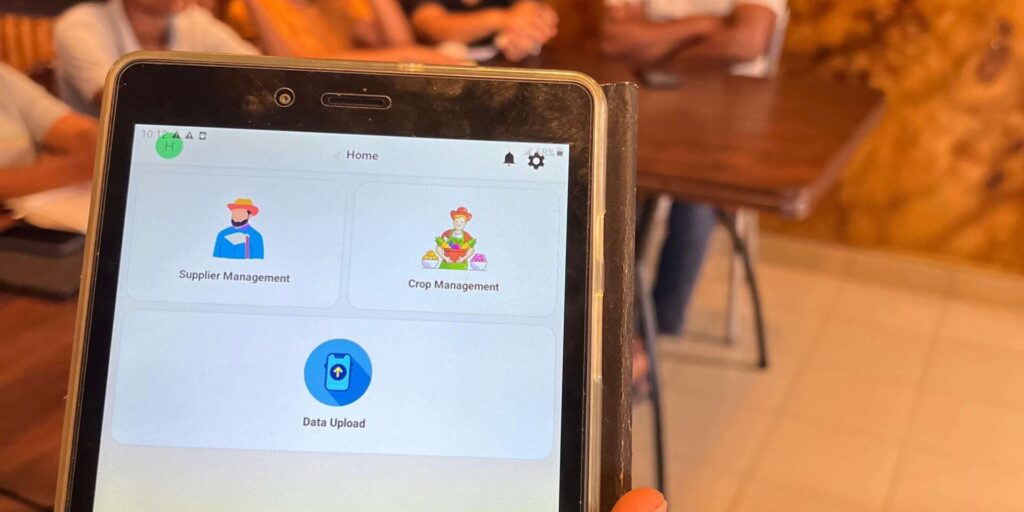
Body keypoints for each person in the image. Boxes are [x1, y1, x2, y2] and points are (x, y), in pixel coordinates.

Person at [602, 0, 785, 383]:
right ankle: (609, 329)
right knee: (610, 182)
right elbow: (615, 38)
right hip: (650, 103)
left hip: (728, 115)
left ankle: (647, 335)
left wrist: (654, 44)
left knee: (693, 200)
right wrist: (702, 26)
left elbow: (746, 43)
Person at [53, 0, 261, 116]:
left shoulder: (194, 21)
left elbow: (259, 76)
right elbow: (120, 102)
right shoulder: (79, 25)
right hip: (102, 162)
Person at [241, 0, 464, 64]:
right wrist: (408, 57)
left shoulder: (335, 5)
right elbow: (288, 64)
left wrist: (407, 55)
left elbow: (398, 41)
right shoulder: (252, 7)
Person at [0, 63, 97, 202]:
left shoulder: (4, 78)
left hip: (32, 206)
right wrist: (74, 170)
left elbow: (72, 128)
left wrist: (95, 142)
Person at [402, 0, 558, 62]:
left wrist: (526, 37)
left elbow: (528, 12)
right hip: (442, 81)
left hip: (505, 80)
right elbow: (433, 27)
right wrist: (501, 19)